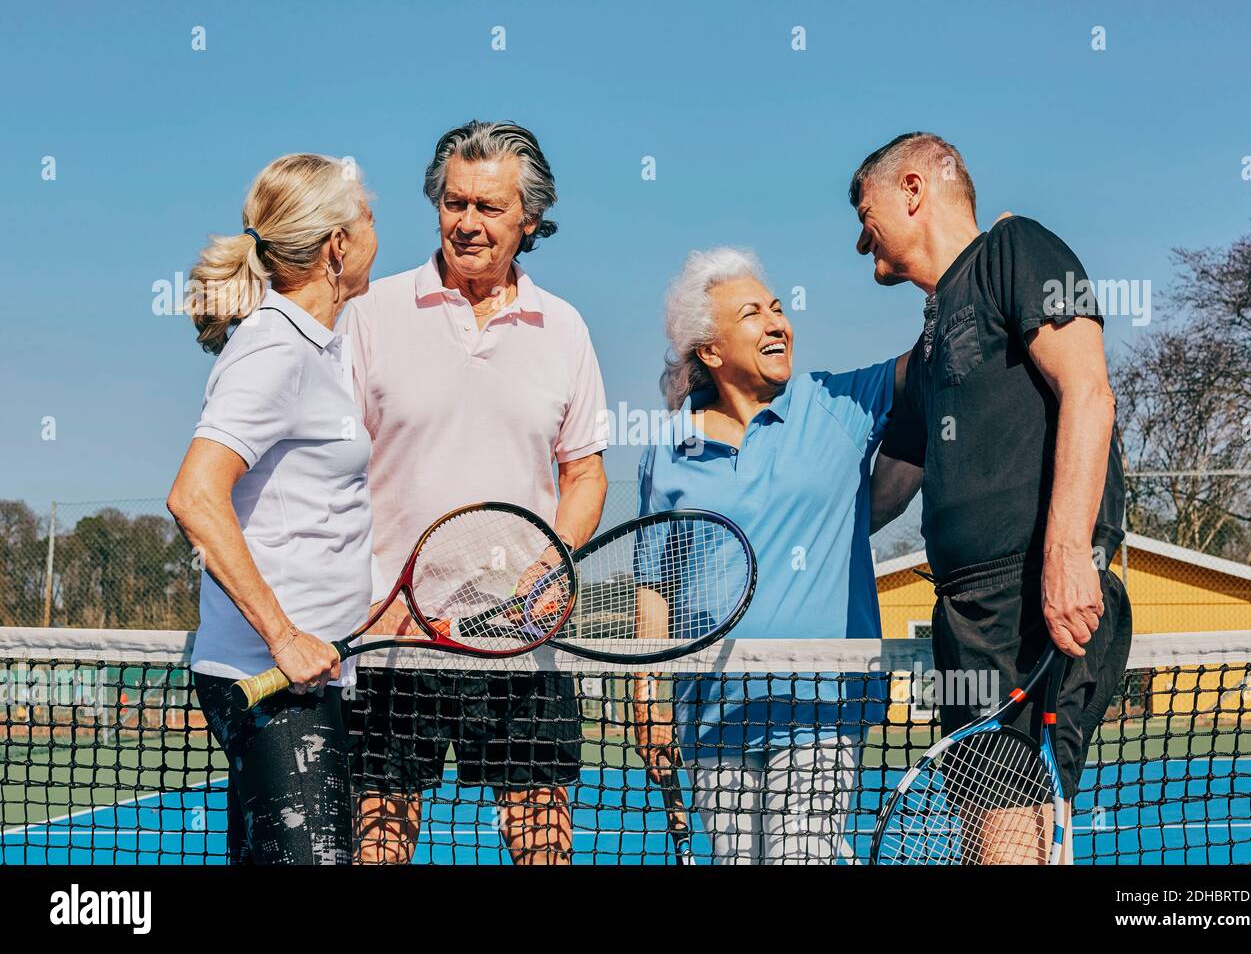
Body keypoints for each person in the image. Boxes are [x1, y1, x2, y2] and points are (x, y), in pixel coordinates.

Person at [857, 132, 1133, 864]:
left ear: (913, 188)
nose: (862, 240)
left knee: (1009, 836)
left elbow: (1089, 392)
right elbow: (899, 473)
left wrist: (1068, 555)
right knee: (989, 832)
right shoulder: (929, 342)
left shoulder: (1017, 248)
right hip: (965, 614)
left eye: (866, 210)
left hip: (1034, 601)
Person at [345, 121, 609, 865]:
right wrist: (365, 591)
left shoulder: (566, 329)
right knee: (379, 852)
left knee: (542, 852)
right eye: (454, 202)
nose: (467, 223)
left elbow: (585, 473)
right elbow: (336, 467)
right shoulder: (372, 315)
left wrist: (552, 567)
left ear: (529, 219)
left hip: (521, 645)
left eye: (489, 208)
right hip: (393, 640)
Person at [633, 247, 901, 864]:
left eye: (778, 310)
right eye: (752, 314)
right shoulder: (668, 449)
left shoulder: (840, 404)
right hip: (712, 720)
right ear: (711, 350)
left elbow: (933, 362)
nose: (777, 323)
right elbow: (655, 585)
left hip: (820, 708)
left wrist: (972, 265)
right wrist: (646, 696)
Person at [167, 153, 379, 864]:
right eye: (370, 217)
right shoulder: (274, 347)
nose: (379, 230)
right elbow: (195, 495)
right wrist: (285, 636)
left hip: (301, 681)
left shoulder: (314, 348)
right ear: (336, 247)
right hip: (274, 683)